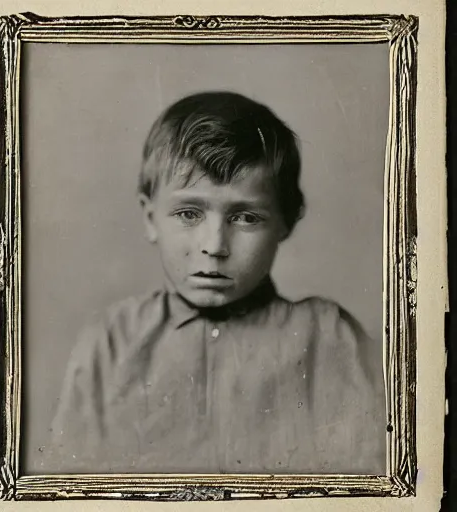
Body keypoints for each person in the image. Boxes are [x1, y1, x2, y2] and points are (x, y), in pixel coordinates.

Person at [45, 91, 386, 475]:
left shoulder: (328, 339)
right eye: (189, 213)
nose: (214, 246)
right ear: (149, 217)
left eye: (245, 217)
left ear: (288, 220)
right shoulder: (111, 341)